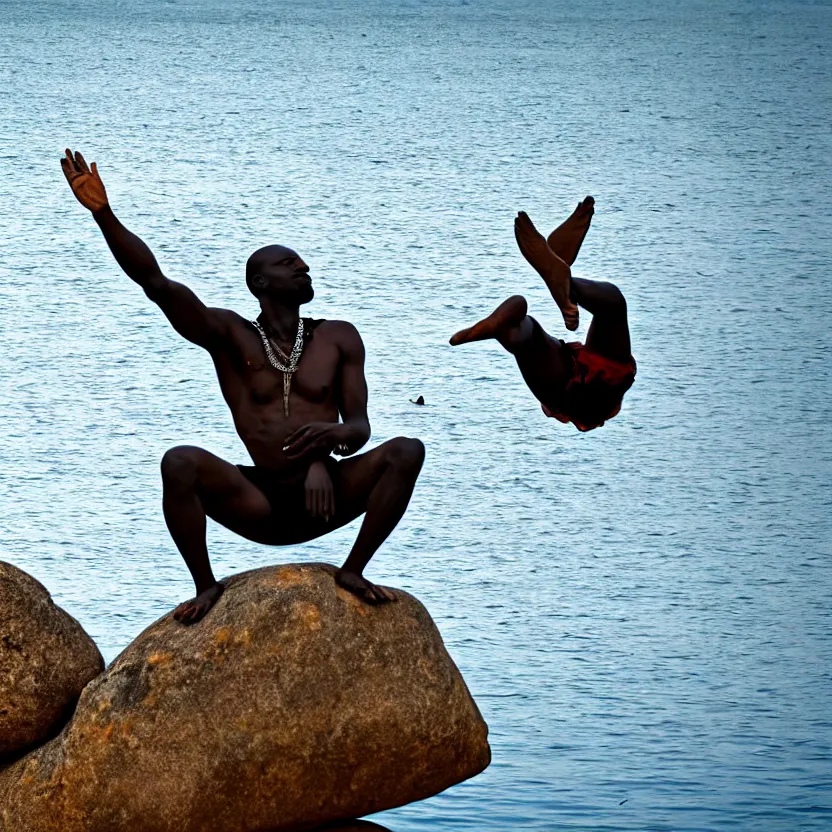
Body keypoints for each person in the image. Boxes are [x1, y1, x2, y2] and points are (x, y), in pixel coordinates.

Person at [61, 149, 425, 622]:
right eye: (288, 262)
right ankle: (205, 586)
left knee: (408, 451)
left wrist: (326, 446)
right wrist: (104, 216)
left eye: (303, 262)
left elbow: (359, 427)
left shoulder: (339, 337)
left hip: (330, 494)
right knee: (179, 463)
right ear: (259, 281)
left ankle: (352, 571)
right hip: (260, 503)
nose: (303, 266)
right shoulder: (229, 337)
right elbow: (157, 284)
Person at [449, 198, 636, 432]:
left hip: (576, 384)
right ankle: (559, 285)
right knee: (526, 334)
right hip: (571, 395)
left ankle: (561, 287)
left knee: (611, 308)